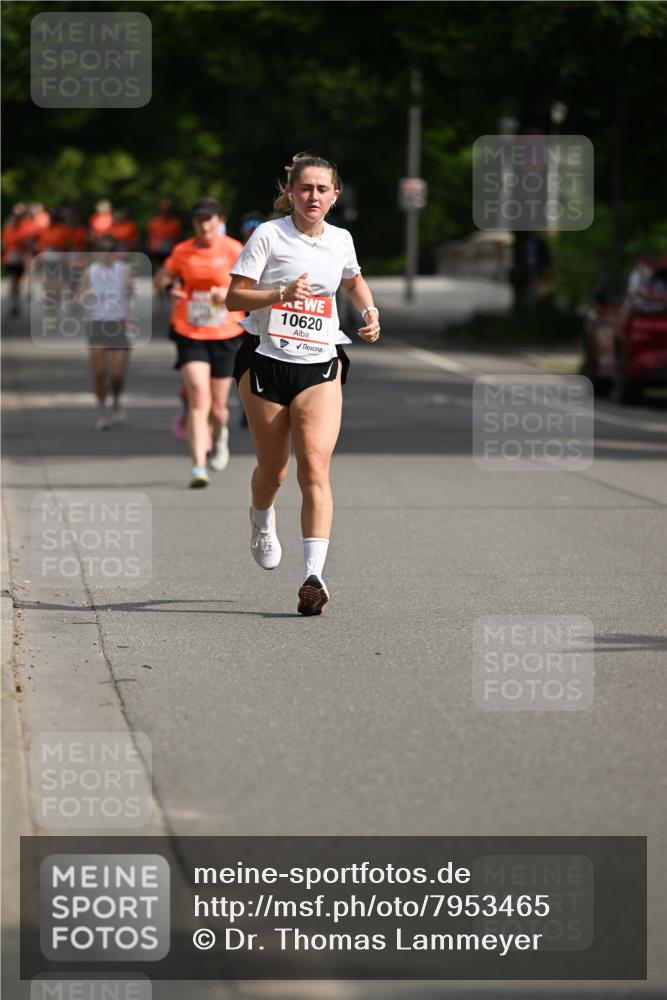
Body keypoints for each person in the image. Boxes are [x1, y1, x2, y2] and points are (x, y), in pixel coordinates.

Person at [226, 152, 380, 616]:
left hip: (320, 364)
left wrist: (370, 311)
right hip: (266, 362)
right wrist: (279, 294)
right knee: (274, 471)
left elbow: (353, 281)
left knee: (314, 466)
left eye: (322, 189)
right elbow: (233, 296)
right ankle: (260, 519)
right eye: (305, 188)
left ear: (335, 196)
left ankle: (314, 575)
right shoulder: (269, 235)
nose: (313, 196)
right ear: (290, 192)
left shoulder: (341, 240)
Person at [155, 198, 245, 488]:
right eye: (199, 221)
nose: (204, 225)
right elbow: (162, 277)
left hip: (225, 332)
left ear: (219, 220)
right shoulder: (183, 250)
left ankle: (220, 437)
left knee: (218, 407)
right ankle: (198, 465)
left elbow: (251, 283)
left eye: (209, 220)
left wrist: (227, 291)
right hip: (189, 329)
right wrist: (171, 288)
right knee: (197, 397)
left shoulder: (233, 248)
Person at [78, 234, 134, 429]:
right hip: (97, 324)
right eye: (101, 249)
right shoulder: (90, 272)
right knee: (100, 373)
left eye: (109, 249)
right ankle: (103, 411)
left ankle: (116, 400)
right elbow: (79, 298)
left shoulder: (124, 270)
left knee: (117, 375)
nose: (105, 253)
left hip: (118, 325)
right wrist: (87, 296)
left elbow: (130, 295)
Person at [2, 203, 32, 317]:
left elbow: (27, 244)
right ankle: (13, 303)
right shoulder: (7, 230)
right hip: (10, 259)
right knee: (13, 280)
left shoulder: (22, 230)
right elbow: (4, 245)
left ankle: (16, 301)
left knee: (18, 281)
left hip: (19, 259)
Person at [147, 200, 182, 273]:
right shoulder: (154, 222)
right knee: (157, 266)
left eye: (167, 211)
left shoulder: (175, 223)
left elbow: (177, 238)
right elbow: (151, 236)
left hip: (169, 249)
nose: (165, 213)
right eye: (163, 211)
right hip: (157, 250)